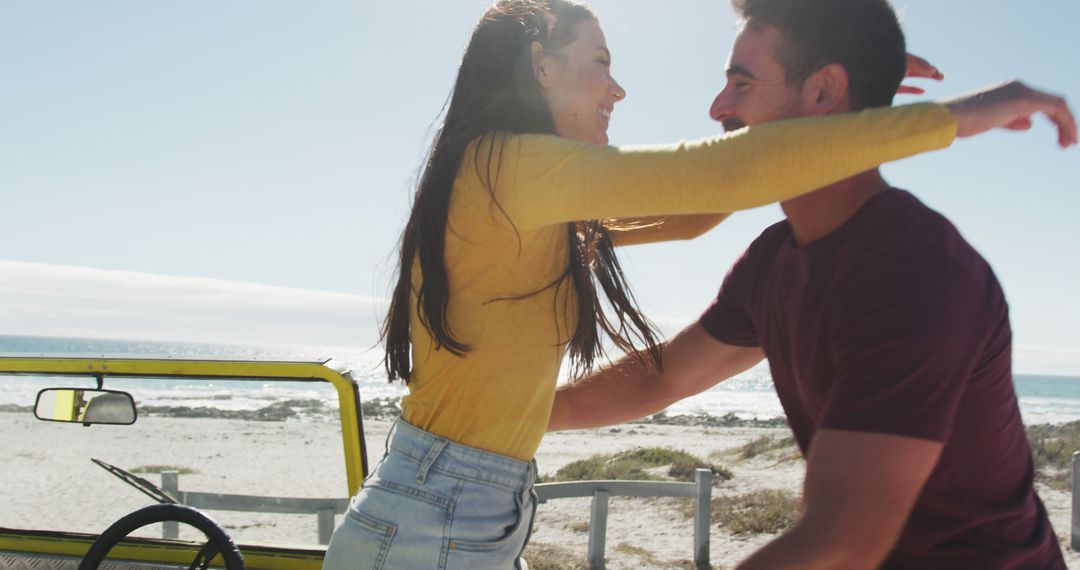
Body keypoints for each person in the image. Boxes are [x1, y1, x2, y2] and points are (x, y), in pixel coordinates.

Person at [325, 0, 1076, 568]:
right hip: (441, 508)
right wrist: (955, 116)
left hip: (467, 497)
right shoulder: (508, 166)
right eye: (599, 62)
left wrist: (853, 106)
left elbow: (695, 207)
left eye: (741, 83)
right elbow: (724, 173)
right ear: (540, 66)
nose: (617, 87)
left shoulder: (908, 270)